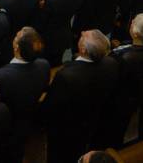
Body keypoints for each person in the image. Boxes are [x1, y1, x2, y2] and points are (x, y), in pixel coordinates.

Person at [44, 30, 119, 162]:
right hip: (91, 120)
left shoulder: (66, 76)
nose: (82, 32)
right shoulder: (111, 64)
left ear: (83, 49)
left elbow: (52, 107)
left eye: (84, 36)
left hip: (65, 128)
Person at [100, 14, 143, 146]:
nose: (132, 21)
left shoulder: (123, 59)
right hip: (135, 97)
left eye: (134, 22)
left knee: (108, 133)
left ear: (136, 34)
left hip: (117, 101)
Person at [0, 27, 49, 161]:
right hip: (27, 119)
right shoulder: (44, 65)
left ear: (16, 47)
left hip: (6, 124)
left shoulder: (0, 77)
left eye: (16, 36)